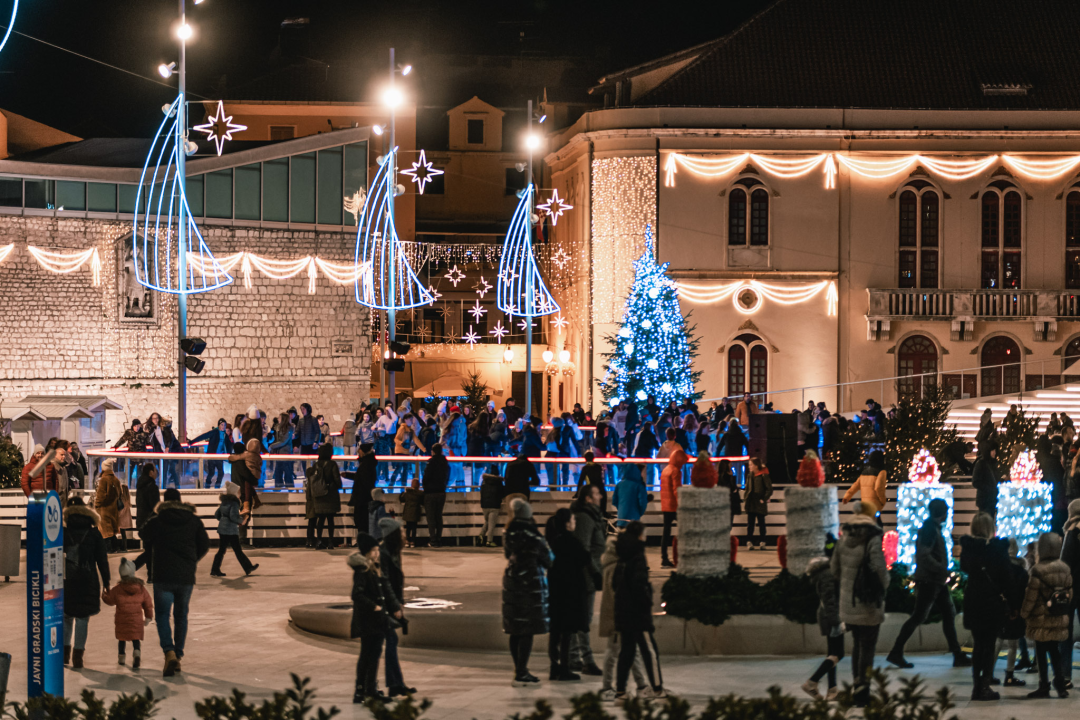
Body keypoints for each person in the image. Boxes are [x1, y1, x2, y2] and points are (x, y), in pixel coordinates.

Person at [887, 498, 969, 669]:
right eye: (946, 511)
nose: (947, 514)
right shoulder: (930, 529)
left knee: (947, 613)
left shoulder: (931, 528)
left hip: (934, 581)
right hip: (930, 580)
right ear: (941, 512)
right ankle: (896, 651)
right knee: (921, 616)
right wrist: (941, 569)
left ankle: (957, 654)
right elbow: (924, 555)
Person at [139, 487, 210, 677]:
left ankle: (168, 652)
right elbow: (205, 544)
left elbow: (143, 534)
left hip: (163, 574)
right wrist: (192, 560)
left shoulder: (158, 520)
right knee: (181, 616)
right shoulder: (193, 520)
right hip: (185, 576)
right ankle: (177, 656)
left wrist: (155, 515)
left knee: (162, 615)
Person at [832, 501, 889, 707]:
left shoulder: (844, 538)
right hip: (868, 603)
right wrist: (884, 586)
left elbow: (835, 571)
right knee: (868, 647)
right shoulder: (872, 539)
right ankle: (863, 692)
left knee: (857, 645)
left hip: (849, 604)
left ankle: (858, 687)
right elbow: (880, 569)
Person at [959, 513, 1011, 700]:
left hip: (973, 600)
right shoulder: (997, 549)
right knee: (989, 645)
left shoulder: (969, 547)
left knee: (978, 645)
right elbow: (1006, 576)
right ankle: (984, 685)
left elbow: (964, 568)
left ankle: (976, 685)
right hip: (991, 602)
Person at [502, 498, 553, 687]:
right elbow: (548, 559)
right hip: (530, 584)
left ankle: (519, 669)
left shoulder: (509, 532)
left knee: (515, 629)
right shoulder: (532, 534)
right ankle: (522, 671)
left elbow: (509, 555)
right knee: (527, 629)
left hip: (512, 581)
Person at [613, 521, 665, 703]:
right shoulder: (638, 555)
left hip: (622, 610)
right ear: (640, 535)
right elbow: (639, 584)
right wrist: (647, 601)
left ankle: (620, 692)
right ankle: (658, 690)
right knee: (650, 651)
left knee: (626, 651)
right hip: (637, 612)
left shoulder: (621, 555)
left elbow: (614, 583)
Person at [1021, 532, 1072, 698]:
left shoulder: (1037, 570)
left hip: (1041, 618)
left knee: (1041, 653)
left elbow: (1031, 596)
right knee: (1055, 651)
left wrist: (1024, 613)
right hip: (1057, 616)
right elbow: (1069, 594)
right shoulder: (1065, 568)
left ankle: (1044, 685)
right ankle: (1060, 684)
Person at [349, 532, 399, 703]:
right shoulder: (363, 570)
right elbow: (357, 594)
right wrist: (375, 606)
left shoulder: (373, 567)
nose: (377, 552)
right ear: (367, 552)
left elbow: (384, 589)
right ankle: (363, 690)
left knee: (373, 654)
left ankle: (367, 689)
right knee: (368, 655)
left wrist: (392, 608)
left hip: (375, 620)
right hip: (368, 620)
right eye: (374, 549)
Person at [63, 498, 110, 669]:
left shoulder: (62, 532)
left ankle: (64, 655)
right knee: (82, 619)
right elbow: (102, 560)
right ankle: (78, 657)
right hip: (88, 580)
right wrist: (107, 582)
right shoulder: (94, 533)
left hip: (66, 580)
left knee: (67, 616)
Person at [545, 508, 591, 682]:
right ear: (566, 523)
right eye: (572, 520)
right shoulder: (571, 542)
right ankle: (564, 667)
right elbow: (584, 559)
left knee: (555, 632)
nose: (575, 522)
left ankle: (554, 667)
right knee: (566, 633)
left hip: (555, 591)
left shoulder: (553, 542)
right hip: (570, 592)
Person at [570, 484, 606, 676]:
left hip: (587, 574)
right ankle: (586, 659)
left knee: (583, 617)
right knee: (584, 618)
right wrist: (595, 572)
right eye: (596, 493)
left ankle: (574, 657)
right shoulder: (585, 517)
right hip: (584, 575)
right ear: (588, 499)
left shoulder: (591, 516)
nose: (600, 495)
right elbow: (583, 548)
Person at [378, 518, 416, 697]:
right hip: (382, 606)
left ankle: (395, 684)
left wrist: (400, 600)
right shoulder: (383, 553)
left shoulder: (393, 551)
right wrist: (395, 605)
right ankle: (389, 685)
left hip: (390, 603)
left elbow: (396, 582)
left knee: (389, 642)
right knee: (386, 643)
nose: (404, 534)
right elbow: (385, 582)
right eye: (400, 532)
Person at [802, 535, 842, 701]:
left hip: (830, 615)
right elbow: (829, 599)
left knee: (832, 653)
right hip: (830, 616)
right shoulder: (828, 573)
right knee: (839, 653)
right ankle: (812, 682)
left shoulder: (829, 570)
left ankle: (832, 690)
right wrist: (836, 621)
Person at [102, 558, 154, 670]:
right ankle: (137, 653)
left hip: (122, 620)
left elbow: (110, 600)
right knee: (136, 638)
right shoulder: (140, 588)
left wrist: (104, 596)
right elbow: (148, 603)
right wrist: (149, 616)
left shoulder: (117, 589)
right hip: (136, 620)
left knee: (122, 638)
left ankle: (121, 657)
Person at [211, 482, 258, 577]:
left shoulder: (224, 502)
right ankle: (248, 567)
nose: (239, 493)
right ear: (234, 492)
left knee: (222, 550)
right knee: (237, 550)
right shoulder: (234, 503)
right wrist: (242, 520)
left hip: (222, 529)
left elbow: (217, 514)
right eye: (238, 492)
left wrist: (223, 521)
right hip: (231, 530)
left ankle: (215, 569)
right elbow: (233, 516)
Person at [1059, 499, 1080, 688]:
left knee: (1066, 632)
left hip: (1073, 587)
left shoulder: (1073, 531)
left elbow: (1065, 562)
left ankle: (1065, 676)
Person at [307, 444, 342, 549]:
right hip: (330, 495)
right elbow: (338, 482)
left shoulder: (316, 465)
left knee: (320, 519)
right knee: (330, 520)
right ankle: (331, 542)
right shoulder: (332, 464)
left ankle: (319, 541)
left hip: (319, 495)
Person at [659, 448, 688, 568]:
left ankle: (664, 557)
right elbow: (677, 491)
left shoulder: (666, 469)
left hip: (666, 506)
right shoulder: (676, 471)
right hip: (674, 506)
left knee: (666, 532)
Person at [348, 443, 378, 546]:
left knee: (361, 520)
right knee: (363, 520)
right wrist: (348, 475)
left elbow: (364, 479)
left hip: (362, 498)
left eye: (359, 450)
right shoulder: (368, 463)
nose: (358, 452)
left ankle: (364, 541)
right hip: (364, 497)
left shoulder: (366, 464)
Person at [93, 457, 124, 553]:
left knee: (105, 531)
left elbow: (101, 495)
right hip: (113, 508)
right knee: (112, 529)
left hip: (104, 509)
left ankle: (108, 548)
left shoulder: (103, 479)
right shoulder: (115, 479)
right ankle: (115, 547)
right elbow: (120, 493)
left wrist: (96, 505)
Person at [422, 443, 449, 547]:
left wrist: (425, 487)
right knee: (438, 516)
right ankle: (439, 538)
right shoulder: (444, 462)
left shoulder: (431, 462)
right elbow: (447, 476)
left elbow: (426, 477)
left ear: (432, 451)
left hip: (430, 492)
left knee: (431, 517)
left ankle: (433, 540)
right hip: (441, 491)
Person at [193, 418, 231, 488]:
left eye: (224, 425)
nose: (223, 426)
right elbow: (203, 436)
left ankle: (217, 485)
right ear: (219, 425)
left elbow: (229, 445)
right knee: (211, 472)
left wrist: (230, 455)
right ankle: (207, 485)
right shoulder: (214, 432)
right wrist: (192, 441)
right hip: (212, 456)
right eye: (222, 425)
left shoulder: (225, 435)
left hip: (219, 457)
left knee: (221, 472)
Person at [744, 457, 772, 549]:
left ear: (756, 466)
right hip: (751, 501)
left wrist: (763, 499)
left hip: (759, 501)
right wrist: (746, 498)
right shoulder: (750, 475)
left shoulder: (763, 475)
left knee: (761, 523)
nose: (749, 467)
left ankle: (762, 541)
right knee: (750, 523)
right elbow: (748, 488)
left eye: (751, 465)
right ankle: (749, 541)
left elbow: (769, 489)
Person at [612, 463, 648, 528]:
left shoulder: (619, 485)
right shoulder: (639, 486)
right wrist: (639, 513)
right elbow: (642, 502)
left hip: (621, 518)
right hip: (634, 519)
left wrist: (621, 509)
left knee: (622, 537)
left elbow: (614, 501)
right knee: (633, 537)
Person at [972, 439, 1001, 516]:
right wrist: (990, 489)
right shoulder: (981, 464)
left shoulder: (993, 464)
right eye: (992, 450)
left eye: (995, 450)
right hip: (985, 500)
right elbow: (976, 482)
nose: (994, 452)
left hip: (992, 499)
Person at [479, 465, 505, 548]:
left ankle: (481, 535)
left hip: (484, 506)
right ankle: (489, 541)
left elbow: (481, 492)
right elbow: (502, 493)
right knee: (491, 525)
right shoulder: (498, 482)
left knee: (487, 521)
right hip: (494, 505)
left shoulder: (484, 481)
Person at [269, 412, 295, 489]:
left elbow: (283, 441)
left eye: (279, 417)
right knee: (278, 471)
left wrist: (272, 446)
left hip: (286, 453)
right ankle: (278, 486)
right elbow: (278, 439)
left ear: (283, 419)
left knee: (287, 471)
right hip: (279, 453)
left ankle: (290, 487)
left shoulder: (289, 428)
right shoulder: (278, 427)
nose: (278, 419)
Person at [401, 478, 424, 548]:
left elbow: (402, 498)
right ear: (419, 485)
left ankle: (407, 541)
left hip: (408, 512)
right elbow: (422, 502)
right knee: (414, 528)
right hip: (415, 512)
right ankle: (412, 541)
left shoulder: (407, 493)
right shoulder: (420, 494)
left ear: (411, 485)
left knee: (408, 528)